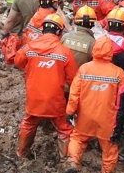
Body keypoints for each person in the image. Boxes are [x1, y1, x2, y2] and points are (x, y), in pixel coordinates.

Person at [13, 13, 78, 159]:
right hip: (55, 100)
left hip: (34, 98)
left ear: (43, 30)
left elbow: (17, 62)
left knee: (29, 123)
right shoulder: (64, 52)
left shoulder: (29, 47)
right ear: (59, 32)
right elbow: (73, 80)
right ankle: (65, 160)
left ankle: (22, 153)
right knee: (64, 128)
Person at [66, 37, 124, 173]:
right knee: (110, 147)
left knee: (78, 139)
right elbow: (122, 99)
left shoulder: (84, 69)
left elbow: (74, 93)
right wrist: (122, 118)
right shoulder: (118, 73)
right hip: (108, 119)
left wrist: (70, 111)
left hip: (85, 116)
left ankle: (73, 162)